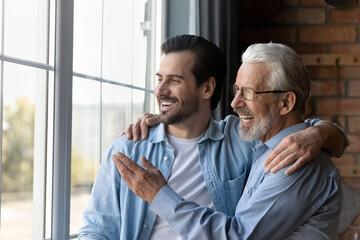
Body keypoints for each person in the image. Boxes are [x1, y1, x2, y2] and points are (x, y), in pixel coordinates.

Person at [79, 35, 345, 240]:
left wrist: (321, 133)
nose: (160, 90)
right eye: (159, 79)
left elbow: (295, 129)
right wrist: (320, 133)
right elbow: (97, 229)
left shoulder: (250, 142)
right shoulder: (128, 147)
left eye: (174, 80)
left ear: (207, 87)